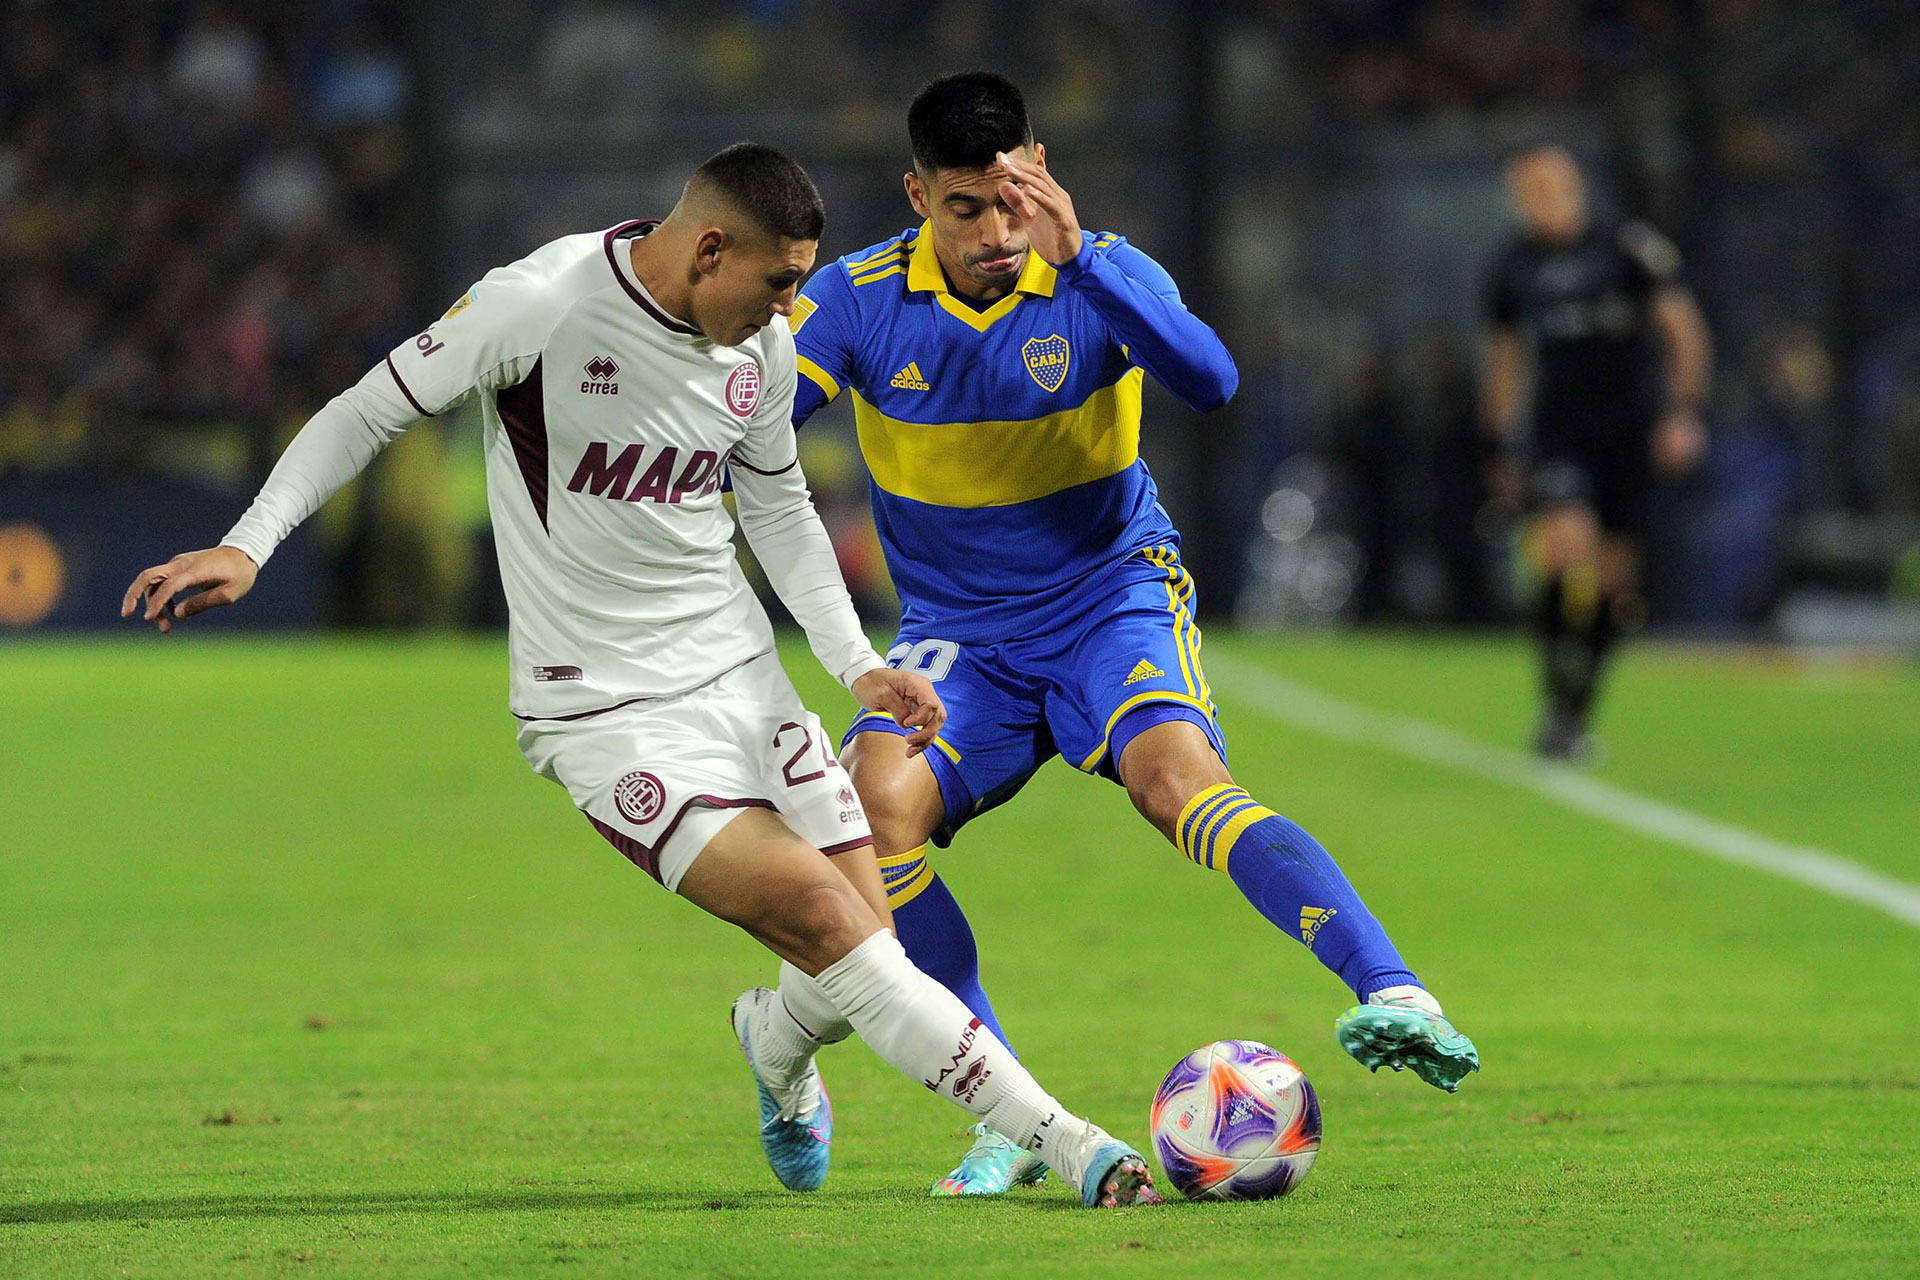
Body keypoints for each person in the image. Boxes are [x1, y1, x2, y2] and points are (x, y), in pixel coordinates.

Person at [121, 143, 1161, 1209]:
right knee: (830, 920)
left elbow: (779, 508)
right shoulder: (544, 303)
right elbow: (366, 409)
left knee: (860, 951)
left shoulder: (757, 347)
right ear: (709, 247)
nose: (790, 310)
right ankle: (1077, 1143)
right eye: (778, 282)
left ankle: (772, 1038)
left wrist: (856, 664)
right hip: (605, 711)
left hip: (743, 679)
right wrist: (249, 542)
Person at [788, 73, 1480, 1197]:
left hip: (1108, 594)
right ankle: (1005, 1108)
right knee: (878, 810)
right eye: (964, 207)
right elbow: (754, 425)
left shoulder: (1096, 268)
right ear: (918, 197)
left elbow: (1212, 380)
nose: (995, 232)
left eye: (1013, 199)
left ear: (1041, 172)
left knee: (1175, 780)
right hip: (959, 633)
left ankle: (1394, 988)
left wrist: (1088, 261)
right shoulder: (858, 300)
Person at [1483, 144, 1713, 759]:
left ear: (1577, 188)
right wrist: (1503, 441)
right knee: (1564, 547)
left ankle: (1573, 710)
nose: (1543, 203)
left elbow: (1683, 332)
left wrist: (1681, 413)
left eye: (1552, 188)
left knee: (1615, 581)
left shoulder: (1628, 249)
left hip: (1630, 430)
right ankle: (1556, 695)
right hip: (1562, 432)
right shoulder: (1512, 268)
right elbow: (1506, 360)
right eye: (1529, 193)